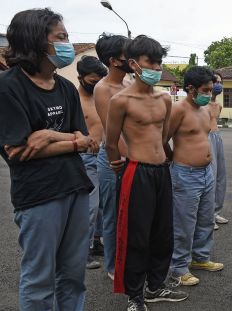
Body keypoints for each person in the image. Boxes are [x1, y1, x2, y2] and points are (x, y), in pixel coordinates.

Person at [0, 9, 113, 311]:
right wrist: (73, 141)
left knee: (73, 265)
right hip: (38, 195)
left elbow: (88, 141)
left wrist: (49, 135)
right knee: (38, 272)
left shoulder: (64, 87)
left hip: (75, 186)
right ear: (36, 41)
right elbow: (17, 150)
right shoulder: (8, 88)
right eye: (60, 38)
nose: (66, 44)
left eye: (66, 36)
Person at [106, 35, 188, 311]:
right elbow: (111, 141)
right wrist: (117, 165)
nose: (155, 66)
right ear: (133, 64)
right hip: (136, 171)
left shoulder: (164, 98)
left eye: (158, 61)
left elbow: (163, 137)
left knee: (163, 232)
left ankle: (155, 286)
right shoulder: (121, 100)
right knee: (136, 236)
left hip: (160, 171)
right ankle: (135, 296)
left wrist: (167, 158)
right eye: (150, 61)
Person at [167, 66, 224, 287]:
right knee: (184, 223)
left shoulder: (206, 110)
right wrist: (175, 159)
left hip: (206, 172)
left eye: (211, 90)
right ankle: (179, 267)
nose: (209, 94)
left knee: (206, 218)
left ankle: (201, 257)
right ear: (190, 89)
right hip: (185, 174)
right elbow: (164, 138)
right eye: (205, 89)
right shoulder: (178, 109)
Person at [94, 32, 132, 280]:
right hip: (113, 159)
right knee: (112, 215)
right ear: (113, 60)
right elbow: (113, 134)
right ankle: (112, 266)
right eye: (128, 52)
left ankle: (129, 259)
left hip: (134, 158)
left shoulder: (129, 84)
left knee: (131, 214)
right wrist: (123, 161)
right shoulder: (103, 88)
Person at [76, 56, 108, 270]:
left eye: (99, 80)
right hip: (85, 158)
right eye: (92, 80)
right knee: (90, 207)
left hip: (106, 156)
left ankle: (97, 241)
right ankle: (82, 251)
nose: (96, 84)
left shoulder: (102, 96)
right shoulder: (73, 99)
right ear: (80, 78)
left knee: (104, 207)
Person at [206, 70, 229, 230]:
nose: (218, 85)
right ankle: (207, 217)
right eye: (215, 82)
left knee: (221, 176)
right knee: (211, 177)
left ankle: (215, 212)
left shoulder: (218, 105)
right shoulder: (202, 103)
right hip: (206, 138)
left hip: (217, 137)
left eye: (220, 82)